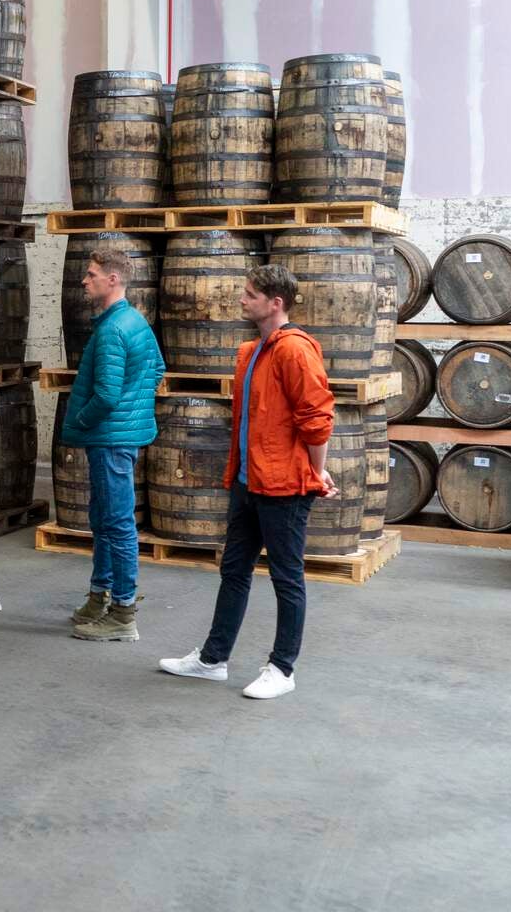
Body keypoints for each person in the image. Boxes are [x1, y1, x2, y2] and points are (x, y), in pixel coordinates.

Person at [159, 263, 337, 699]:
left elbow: (317, 419)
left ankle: (283, 668)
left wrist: (316, 471)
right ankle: (213, 659)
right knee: (234, 570)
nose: (241, 299)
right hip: (247, 481)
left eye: (250, 294)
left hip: (285, 487)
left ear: (275, 302)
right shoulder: (253, 350)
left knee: (286, 577)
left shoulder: (295, 350)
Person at [58, 248, 166, 642]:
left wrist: (79, 425)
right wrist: (135, 409)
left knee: (117, 524)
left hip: (108, 437)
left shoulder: (112, 330)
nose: (85, 281)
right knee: (104, 520)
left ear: (113, 280)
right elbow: (156, 368)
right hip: (120, 435)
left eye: (91, 275)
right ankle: (99, 596)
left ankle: (122, 613)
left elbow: (104, 395)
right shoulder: (132, 320)